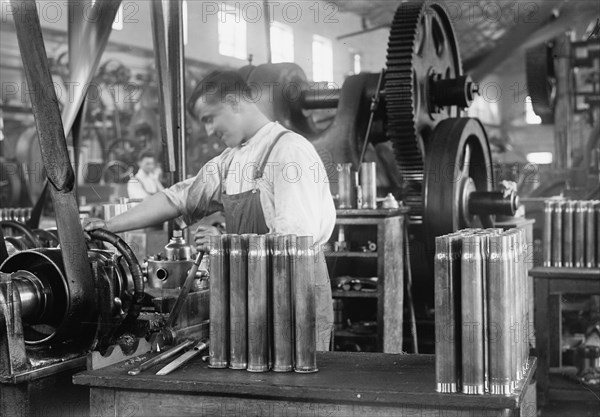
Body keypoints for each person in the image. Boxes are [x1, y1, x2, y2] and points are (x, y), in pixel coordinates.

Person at [83, 70, 336, 350]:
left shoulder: (289, 152)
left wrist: (225, 244)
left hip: (295, 297)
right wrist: (109, 227)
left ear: (234, 103)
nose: (207, 131)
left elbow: (293, 244)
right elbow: (176, 199)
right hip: (253, 291)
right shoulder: (232, 159)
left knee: (298, 381)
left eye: (208, 118)